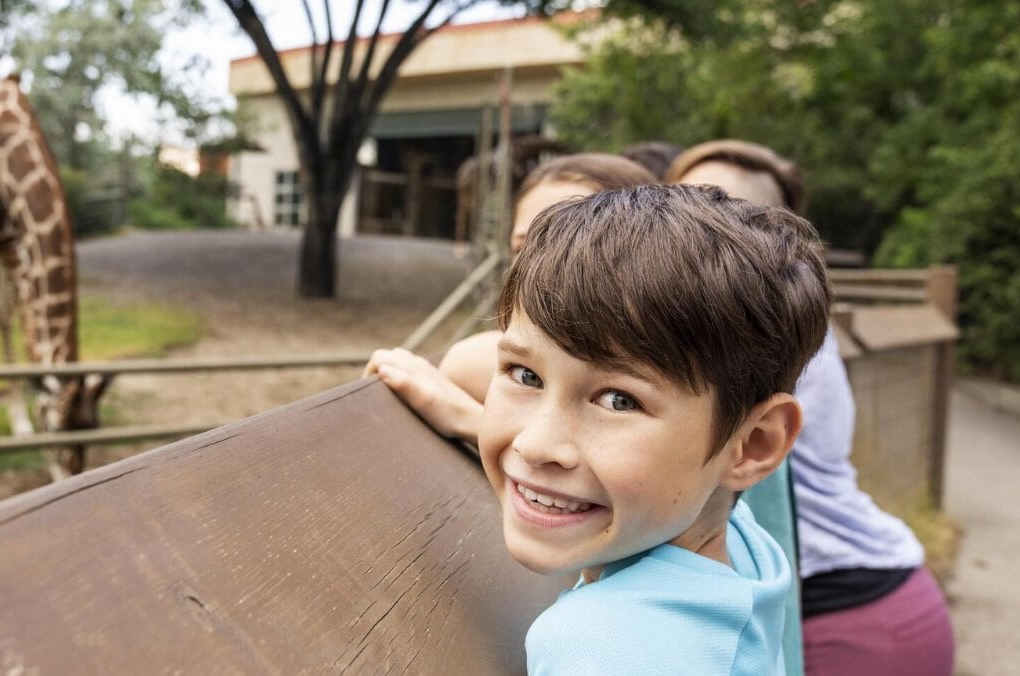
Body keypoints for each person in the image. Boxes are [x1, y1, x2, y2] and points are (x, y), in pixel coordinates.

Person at [371, 184, 830, 673]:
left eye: (618, 400)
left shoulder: (600, 647)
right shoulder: (741, 550)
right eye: (525, 375)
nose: (536, 444)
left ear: (753, 444)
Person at [667, 139, 954, 676]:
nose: (696, 224)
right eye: (683, 202)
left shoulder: (762, 322)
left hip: (853, 620)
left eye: (722, 207)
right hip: (874, 605)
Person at [437, 153, 657, 428]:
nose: (542, 266)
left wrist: (469, 422)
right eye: (524, 247)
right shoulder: (483, 358)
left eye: (575, 244)